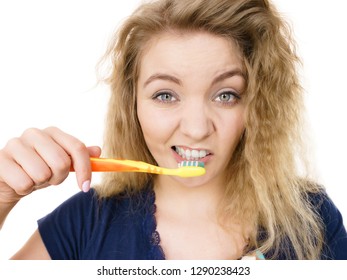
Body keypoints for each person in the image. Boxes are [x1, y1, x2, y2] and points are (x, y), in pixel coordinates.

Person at [0, 0, 346, 260]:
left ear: (258, 105)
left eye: (226, 95)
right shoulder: (84, 224)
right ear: (131, 103)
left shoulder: (312, 220)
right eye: (165, 95)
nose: (196, 129)